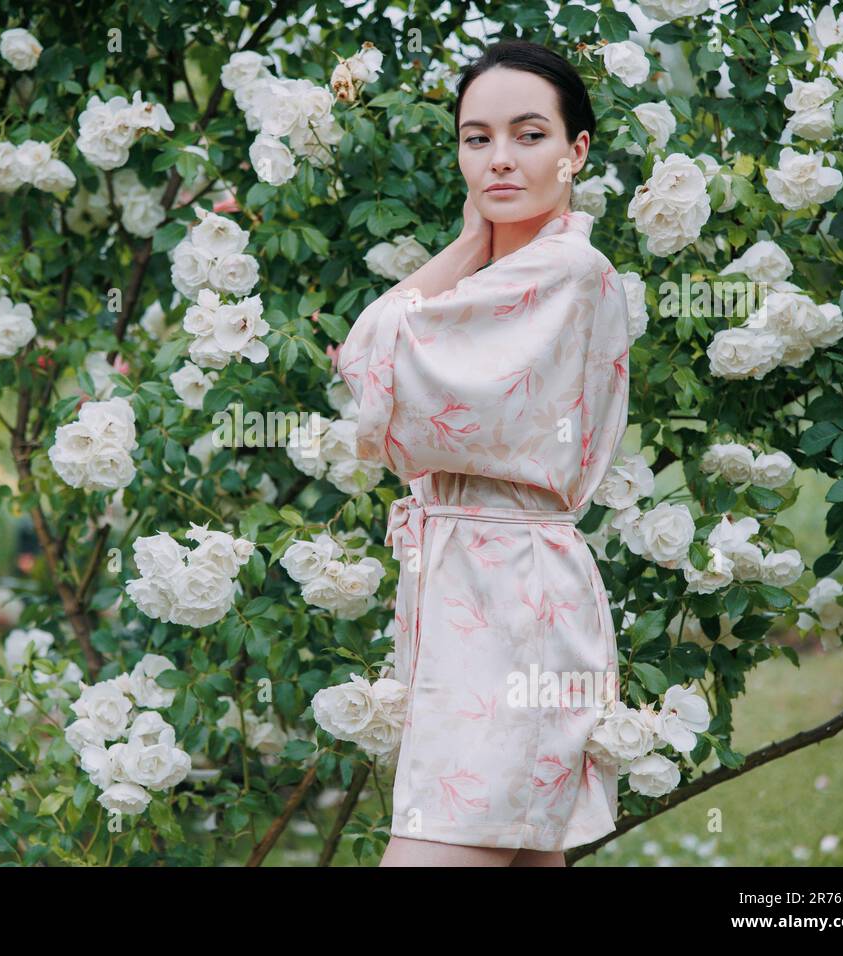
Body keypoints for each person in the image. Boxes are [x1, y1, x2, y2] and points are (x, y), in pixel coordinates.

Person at [337, 39, 631, 867]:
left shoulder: (567, 271)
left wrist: (469, 250)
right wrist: (472, 241)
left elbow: (369, 361)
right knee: (521, 853)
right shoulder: (494, 278)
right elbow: (367, 360)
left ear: (576, 151)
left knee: (437, 848)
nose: (500, 159)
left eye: (529, 135)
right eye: (477, 138)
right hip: (471, 584)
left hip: (513, 599)